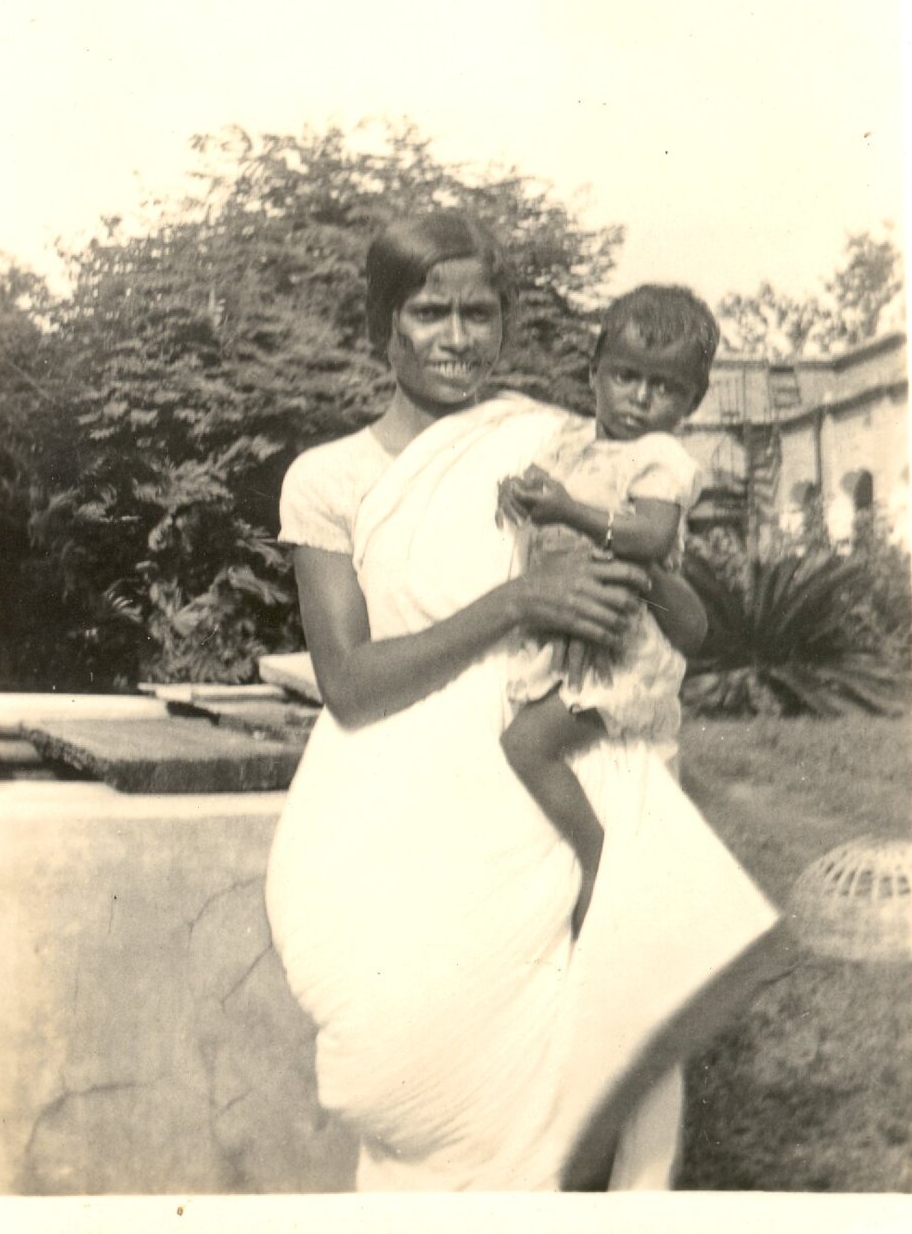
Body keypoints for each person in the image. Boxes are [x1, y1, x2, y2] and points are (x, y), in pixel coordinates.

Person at [264, 210, 777, 1192]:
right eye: (429, 312)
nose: (459, 335)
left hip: (557, 796)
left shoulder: (557, 443)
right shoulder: (329, 479)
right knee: (434, 1108)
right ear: (383, 325)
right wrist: (517, 599)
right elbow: (349, 683)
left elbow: (662, 600)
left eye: (480, 312)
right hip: (418, 824)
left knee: (582, 1109)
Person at [497, 284, 717, 939]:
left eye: (664, 386)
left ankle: (597, 851)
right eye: (625, 376)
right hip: (570, 639)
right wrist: (519, 492)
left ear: (691, 401)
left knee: (525, 744)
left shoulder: (662, 458)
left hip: (622, 652)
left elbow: (649, 537)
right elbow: (541, 490)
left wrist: (565, 508)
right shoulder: (569, 444)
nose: (640, 398)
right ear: (593, 372)